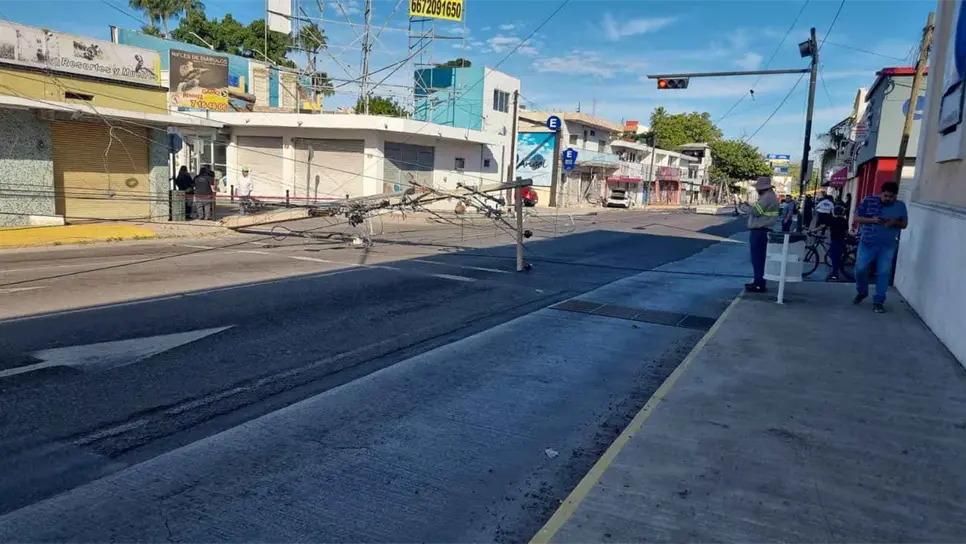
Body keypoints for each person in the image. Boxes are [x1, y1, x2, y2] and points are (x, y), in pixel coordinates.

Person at [853, 181, 908, 313]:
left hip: (887, 246)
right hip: (868, 243)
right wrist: (873, 220)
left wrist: (895, 222)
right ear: (881, 193)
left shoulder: (900, 206)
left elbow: (904, 224)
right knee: (860, 269)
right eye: (885, 196)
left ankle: (878, 301)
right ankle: (862, 291)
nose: (888, 199)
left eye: (891, 197)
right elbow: (857, 218)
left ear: (895, 196)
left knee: (883, 273)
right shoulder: (869, 201)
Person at [745, 176, 780, 293]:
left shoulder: (766, 198)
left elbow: (756, 212)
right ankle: (758, 281)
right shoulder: (772, 197)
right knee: (760, 258)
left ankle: (759, 283)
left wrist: (746, 207)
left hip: (760, 231)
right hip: (765, 230)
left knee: (757, 258)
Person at [826, 204, 849, 282]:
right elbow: (846, 232)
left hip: (835, 240)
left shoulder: (832, 220)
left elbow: (824, 226)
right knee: (836, 256)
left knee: (834, 257)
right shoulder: (845, 220)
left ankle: (835, 274)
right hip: (841, 240)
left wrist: (813, 231)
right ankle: (835, 272)